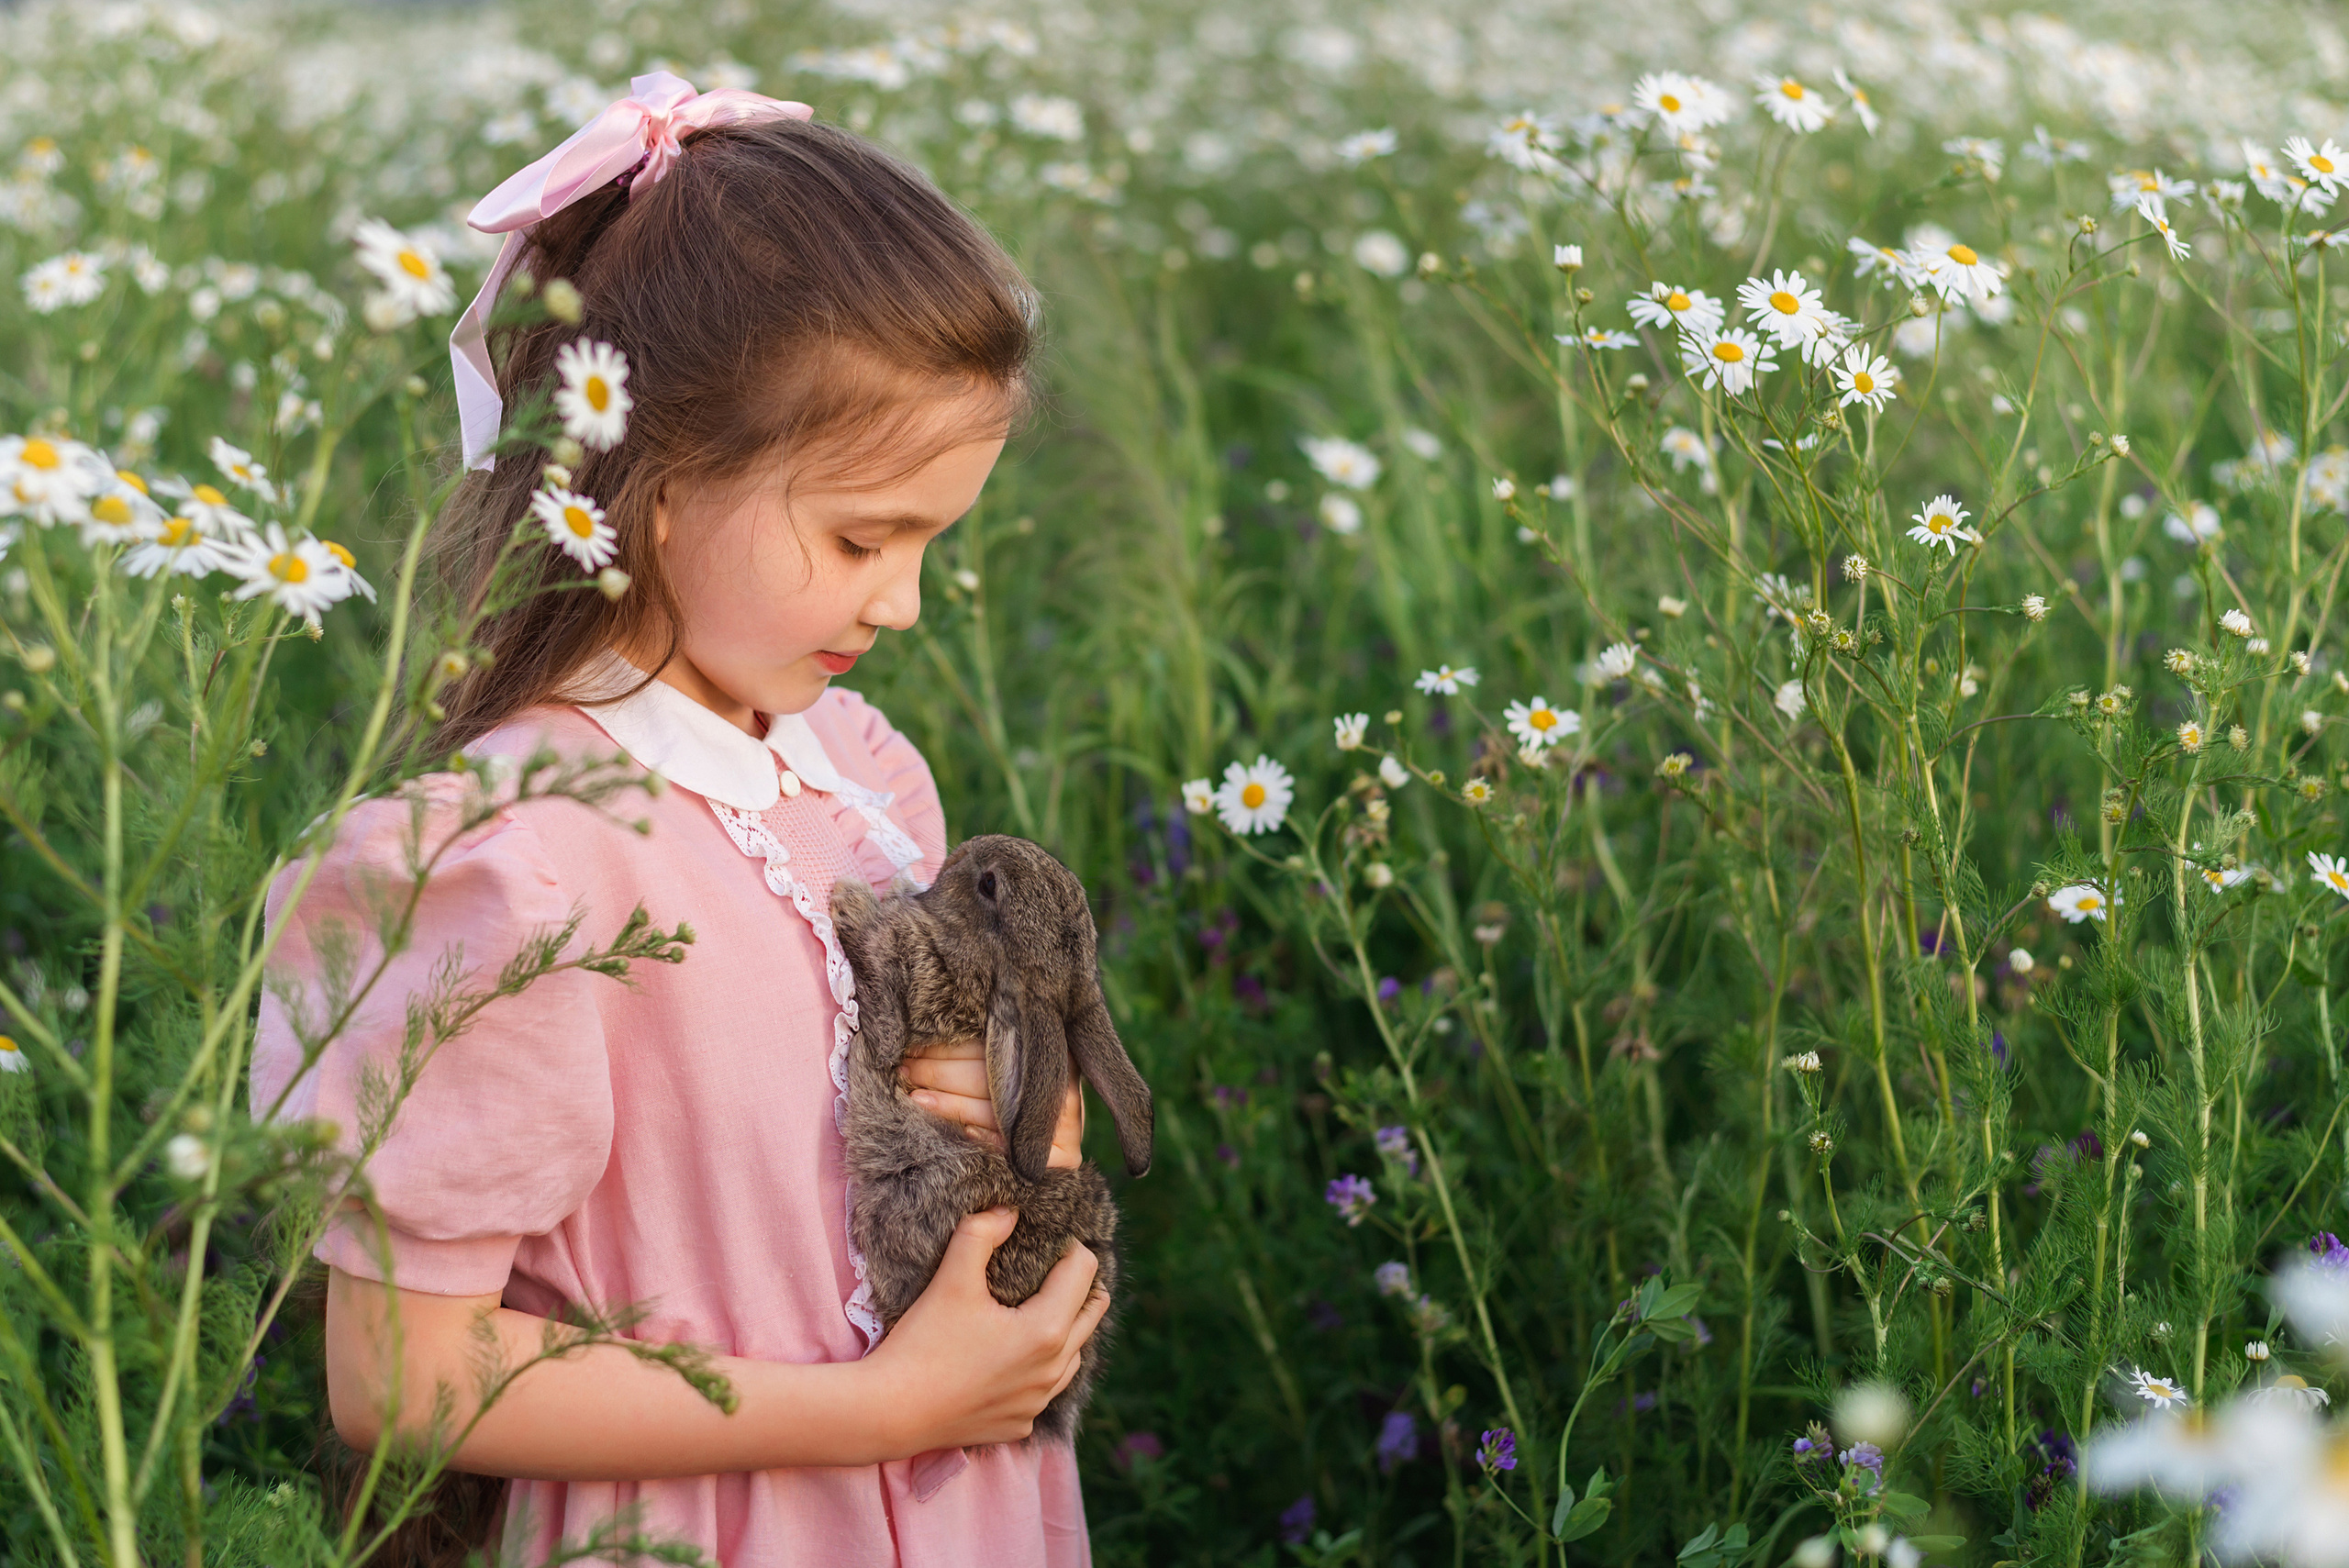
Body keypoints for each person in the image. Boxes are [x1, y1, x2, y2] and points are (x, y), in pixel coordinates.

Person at [250, 73, 1104, 1566]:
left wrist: (1026, 1112)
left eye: (932, 542)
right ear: (654, 484)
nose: (904, 601)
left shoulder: (861, 778)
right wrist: (890, 1405)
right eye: (862, 536)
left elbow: (896, 1133)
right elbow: (402, 1373)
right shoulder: (504, 862)